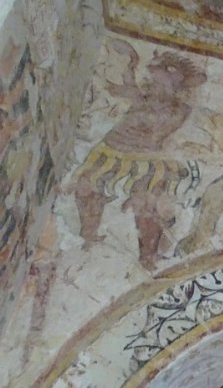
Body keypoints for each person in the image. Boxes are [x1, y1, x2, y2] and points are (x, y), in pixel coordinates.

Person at [74, 43, 206, 271]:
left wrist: (138, 95)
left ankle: (148, 256)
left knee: (146, 201)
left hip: (147, 157)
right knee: (86, 185)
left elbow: (155, 127)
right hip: (111, 149)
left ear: (175, 80)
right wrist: (130, 66)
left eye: (158, 77)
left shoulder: (179, 109)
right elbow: (119, 89)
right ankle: (89, 235)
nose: (152, 80)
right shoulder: (143, 97)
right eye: (152, 77)